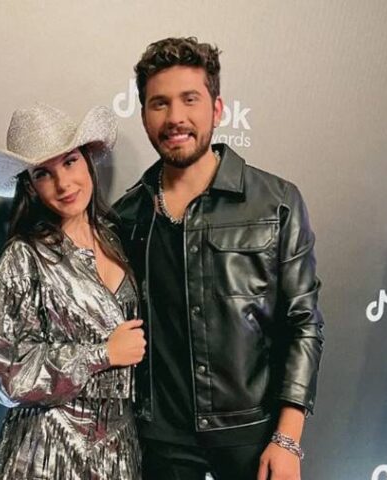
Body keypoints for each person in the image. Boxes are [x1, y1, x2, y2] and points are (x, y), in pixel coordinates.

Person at [113, 37, 325, 480]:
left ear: (217, 108)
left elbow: (303, 324)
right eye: (159, 103)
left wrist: (287, 439)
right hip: (159, 447)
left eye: (190, 99)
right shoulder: (127, 217)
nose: (175, 117)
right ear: (144, 115)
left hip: (252, 439)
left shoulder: (275, 202)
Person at [0, 103, 145, 479]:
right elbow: (0, 373)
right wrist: (102, 353)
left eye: (69, 162)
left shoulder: (118, 240)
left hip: (119, 450)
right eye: (43, 173)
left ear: (87, 160)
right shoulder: (24, 257)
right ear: (30, 186)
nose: (63, 184)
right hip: (47, 452)